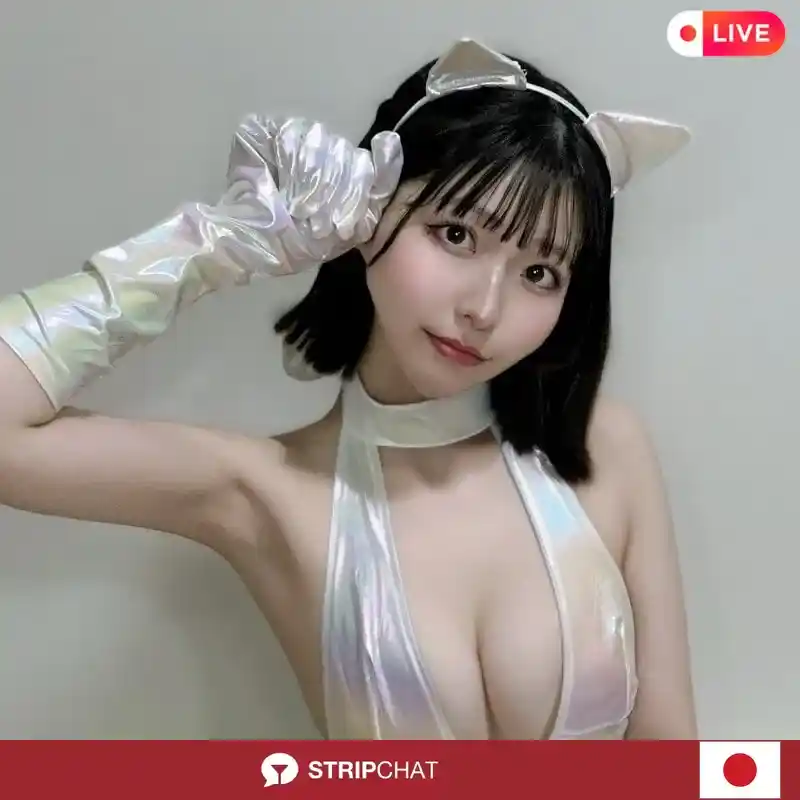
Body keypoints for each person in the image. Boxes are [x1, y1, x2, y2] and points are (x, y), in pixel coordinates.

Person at [0, 38, 697, 739]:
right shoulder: (268, 493)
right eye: (456, 234)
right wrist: (212, 245)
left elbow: (672, 758)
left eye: (539, 273)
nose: (485, 309)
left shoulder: (606, 449)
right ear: (370, 208)